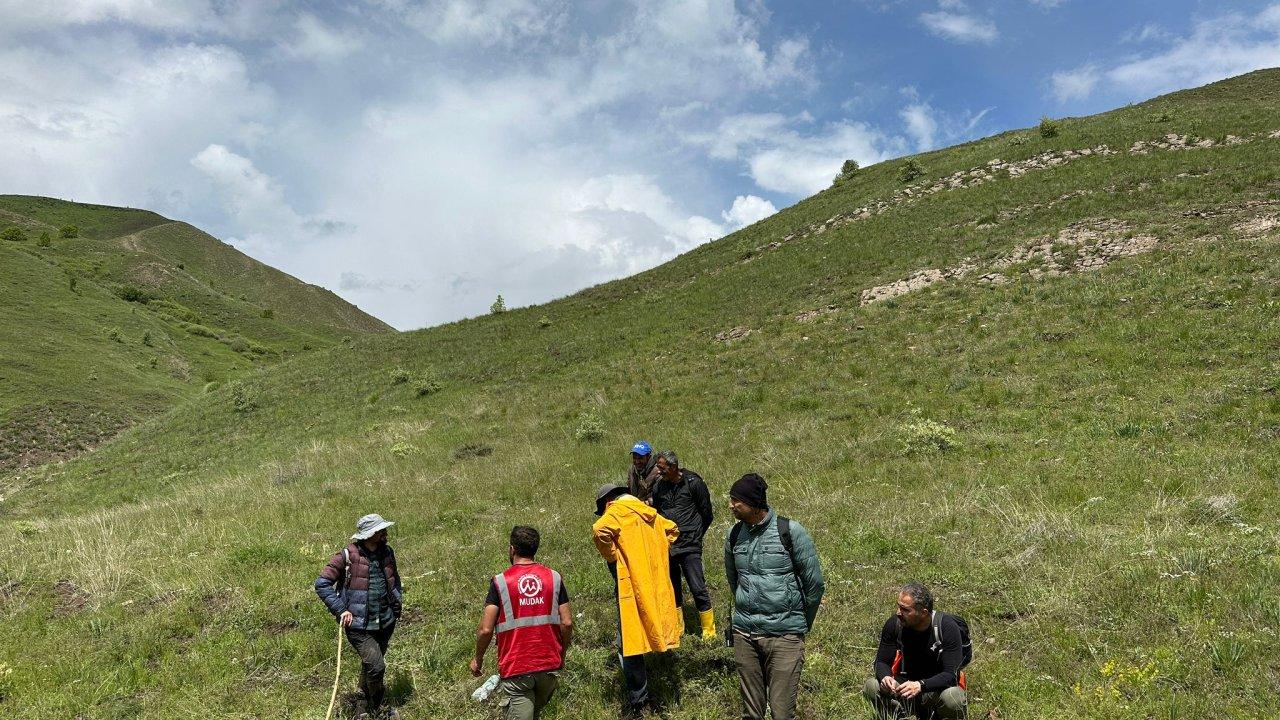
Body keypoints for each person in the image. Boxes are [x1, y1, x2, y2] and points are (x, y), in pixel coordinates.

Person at [724, 474, 825, 720]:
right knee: (751, 714)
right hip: (745, 636)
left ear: (753, 502)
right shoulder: (734, 535)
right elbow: (734, 580)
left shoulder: (790, 531)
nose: (730, 505)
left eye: (736, 500)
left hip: (785, 638)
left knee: (781, 714)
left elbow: (815, 585)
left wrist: (797, 625)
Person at [592, 483, 682, 719]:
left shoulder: (616, 512)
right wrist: (657, 551)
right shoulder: (649, 512)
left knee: (630, 642)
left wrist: (614, 556)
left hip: (631, 585)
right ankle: (655, 692)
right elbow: (672, 530)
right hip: (654, 583)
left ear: (608, 502)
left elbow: (599, 530)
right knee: (650, 630)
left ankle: (638, 701)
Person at [470, 526, 574, 720]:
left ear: (512, 549)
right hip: (549, 665)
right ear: (535, 548)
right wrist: (562, 654)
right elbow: (566, 622)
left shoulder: (500, 582)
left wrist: (478, 659)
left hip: (517, 667)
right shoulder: (554, 577)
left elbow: (485, 629)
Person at [315, 513, 404, 720]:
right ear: (370, 534)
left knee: (370, 664)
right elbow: (322, 584)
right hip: (358, 626)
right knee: (376, 665)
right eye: (381, 530)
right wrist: (341, 609)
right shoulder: (347, 555)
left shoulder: (387, 552)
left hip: (385, 621)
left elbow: (395, 580)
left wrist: (397, 601)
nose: (385, 533)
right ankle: (380, 708)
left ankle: (361, 706)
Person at [863, 582, 968, 720]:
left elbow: (951, 675)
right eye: (899, 606)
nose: (898, 612)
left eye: (905, 609)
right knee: (872, 685)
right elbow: (882, 662)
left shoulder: (946, 628)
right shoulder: (894, 624)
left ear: (923, 613)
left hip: (934, 691)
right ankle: (897, 715)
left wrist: (921, 685)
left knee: (953, 698)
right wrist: (886, 678)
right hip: (902, 690)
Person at [650, 450, 716, 639]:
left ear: (673, 467)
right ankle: (678, 631)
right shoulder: (658, 487)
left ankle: (709, 633)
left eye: (662, 468)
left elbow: (707, 513)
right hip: (668, 546)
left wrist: (696, 536)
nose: (659, 472)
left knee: (697, 588)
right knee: (672, 591)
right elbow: (657, 514)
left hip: (690, 545)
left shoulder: (694, 483)